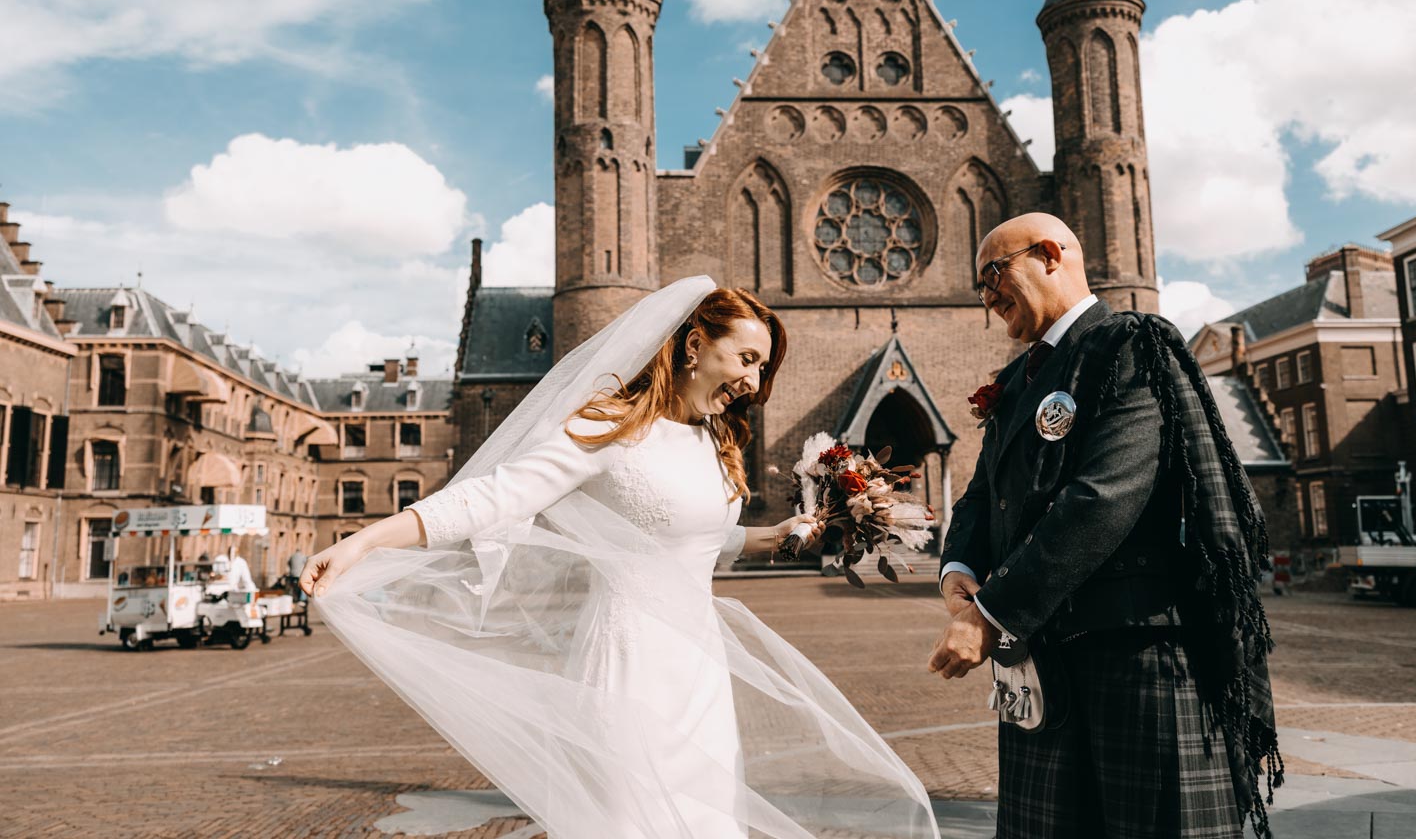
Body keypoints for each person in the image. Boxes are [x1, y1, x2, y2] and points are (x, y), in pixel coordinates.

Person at [301, 278, 938, 839]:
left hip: (699, 665)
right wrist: (363, 541)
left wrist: (779, 534)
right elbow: (494, 497)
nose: (753, 380)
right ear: (694, 346)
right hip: (631, 661)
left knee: (703, 816)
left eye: (761, 366)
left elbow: (697, 538)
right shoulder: (611, 426)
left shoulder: (713, 438)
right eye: (745, 358)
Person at [928, 213, 1282, 838]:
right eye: (980, 288)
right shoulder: (1014, 382)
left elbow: (1104, 496)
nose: (987, 299)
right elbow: (982, 494)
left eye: (993, 274)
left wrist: (991, 614)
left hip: (1138, 657)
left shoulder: (1130, 344)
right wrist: (958, 571)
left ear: (1048, 254)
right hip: (1042, 663)